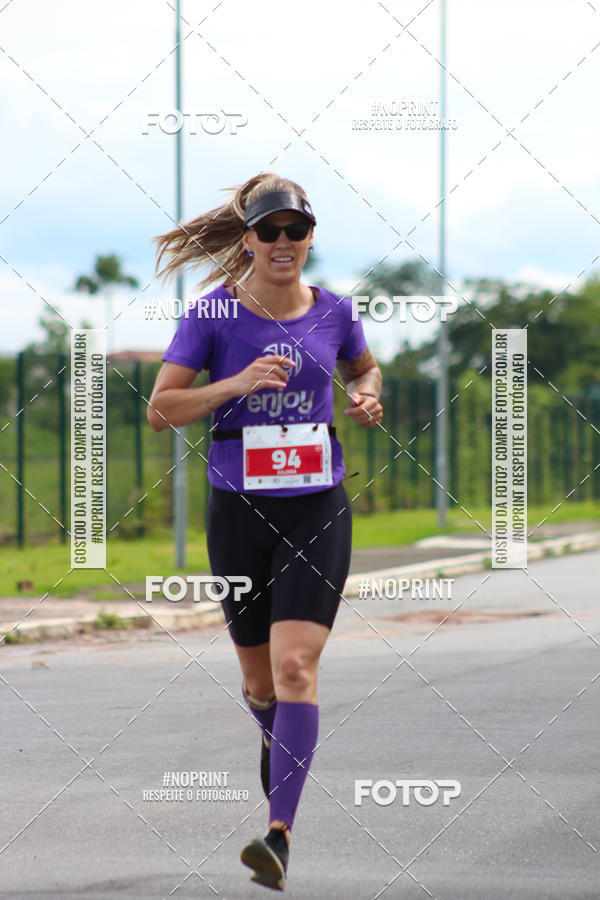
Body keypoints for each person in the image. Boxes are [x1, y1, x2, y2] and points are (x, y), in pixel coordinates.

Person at [148, 173, 383, 891]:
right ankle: (277, 739)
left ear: (310, 238)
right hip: (239, 512)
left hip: (317, 505)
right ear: (248, 239)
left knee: (293, 669)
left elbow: (366, 369)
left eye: (296, 230)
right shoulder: (213, 314)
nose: (283, 243)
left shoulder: (337, 311)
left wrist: (365, 396)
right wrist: (235, 383)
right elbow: (162, 409)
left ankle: (278, 835)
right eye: (269, 231)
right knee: (259, 683)